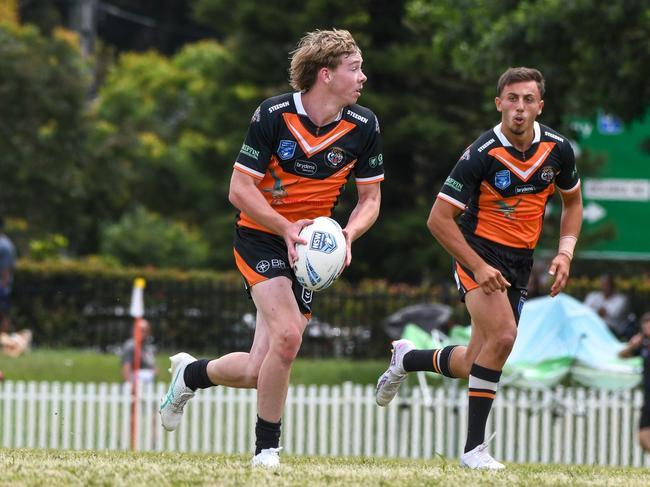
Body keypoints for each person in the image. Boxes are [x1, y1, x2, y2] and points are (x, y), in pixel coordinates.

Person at [160, 29, 383, 468]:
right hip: (261, 234)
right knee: (288, 336)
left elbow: (370, 200)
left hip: (310, 247)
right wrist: (283, 227)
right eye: (354, 68)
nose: (362, 77)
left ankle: (190, 374)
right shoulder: (274, 115)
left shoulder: (363, 125)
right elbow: (239, 190)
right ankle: (267, 451)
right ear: (326, 75)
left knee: (256, 367)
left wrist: (347, 236)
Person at [376, 67, 583, 469]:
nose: (519, 108)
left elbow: (572, 203)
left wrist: (565, 253)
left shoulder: (558, 149)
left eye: (528, 100)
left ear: (540, 106)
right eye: (512, 99)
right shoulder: (482, 153)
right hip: (477, 251)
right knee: (503, 337)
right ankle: (473, 450)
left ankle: (407, 358)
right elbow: (438, 219)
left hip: (520, 262)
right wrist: (477, 265)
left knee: (477, 360)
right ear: (499, 103)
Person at [618, 312, 650, 453]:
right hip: (647, 396)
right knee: (642, 439)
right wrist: (632, 346)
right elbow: (622, 355)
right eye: (646, 323)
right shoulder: (643, 344)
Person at [584, 273, 630, 339]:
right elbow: (585, 311)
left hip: (613, 332)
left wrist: (595, 311)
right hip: (593, 329)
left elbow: (615, 314)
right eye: (603, 284)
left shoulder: (622, 299)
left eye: (607, 284)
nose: (605, 286)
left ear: (612, 285)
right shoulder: (592, 296)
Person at [121, 319, 157, 384]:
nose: (145, 334)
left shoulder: (148, 347)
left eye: (147, 331)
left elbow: (153, 365)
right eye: (142, 331)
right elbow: (126, 369)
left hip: (148, 384)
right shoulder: (130, 346)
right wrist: (130, 385)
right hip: (135, 384)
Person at [0, 216, 16, 334]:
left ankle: (3, 340)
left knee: (3, 314)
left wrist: (3, 287)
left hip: (1, 286)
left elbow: (6, 269)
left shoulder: (4, 245)